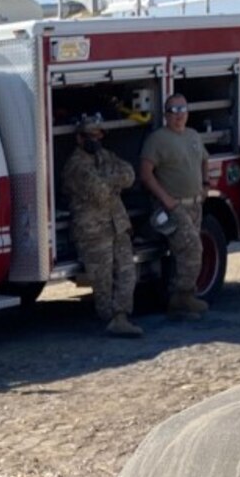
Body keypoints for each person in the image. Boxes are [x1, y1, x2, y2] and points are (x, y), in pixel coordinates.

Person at [59, 114, 143, 338]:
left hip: (118, 224)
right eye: (89, 136)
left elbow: (130, 174)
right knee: (103, 281)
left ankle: (122, 316)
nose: (95, 139)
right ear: (79, 138)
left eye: (98, 135)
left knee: (127, 272)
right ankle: (111, 319)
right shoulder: (75, 166)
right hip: (93, 232)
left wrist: (108, 179)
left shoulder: (106, 156)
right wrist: (113, 182)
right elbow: (101, 193)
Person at [137, 93, 209, 318]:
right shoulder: (157, 139)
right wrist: (166, 200)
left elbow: (205, 159)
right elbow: (146, 174)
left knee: (184, 253)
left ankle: (181, 298)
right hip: (173, 207)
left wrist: (205, 185)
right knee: (192, 248)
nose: (179, 115)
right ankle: (182, 298)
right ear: (166, 115)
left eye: (182, 110)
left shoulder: (193, 135)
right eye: (173, 111)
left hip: (195, 204)